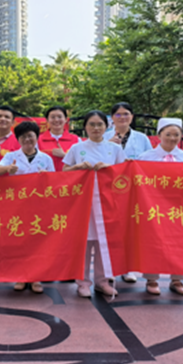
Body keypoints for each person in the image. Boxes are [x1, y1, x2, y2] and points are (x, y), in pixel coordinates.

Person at [62, 110, 126, 298]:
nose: (96, 128)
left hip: (107, 202)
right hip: (83, 203)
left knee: (103, 243)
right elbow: (64, 171)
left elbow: (124, 174)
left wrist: (109, 168)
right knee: (84, 243)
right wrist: (78, 167)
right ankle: (82, 282)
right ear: (85, 127)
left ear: (106, 127)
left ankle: (102, 281)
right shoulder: (77, 148)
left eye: (100, 124)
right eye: (91, 124)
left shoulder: (115, 149)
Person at [137, 117, 183, 296]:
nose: (172, 138)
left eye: (176, 135)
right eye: (168, 134)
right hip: (153, 206)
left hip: (179, 208)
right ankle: (152, 279)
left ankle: (177, 279)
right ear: (159, 135)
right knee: (153, 242)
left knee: (180, 243)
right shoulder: (146, 157)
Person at [0, 121, 55, 293]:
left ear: (36, 137)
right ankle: (20, 276)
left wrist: (46, 177)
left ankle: (36, 278)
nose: (27, 139)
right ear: (18, 139)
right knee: (19, 241)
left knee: (38, 242)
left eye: (30, 136)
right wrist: (8, 168)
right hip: (17, 206)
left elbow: (54, 181)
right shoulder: (11, 156)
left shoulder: (46, 158)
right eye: (23, 137)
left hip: (38, 206)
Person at [104, 102, 153, 284]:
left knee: (130, 228)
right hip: (110, 188)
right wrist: (108, 146)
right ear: (112, 118)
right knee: (111, 228)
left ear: (132, 117)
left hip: (133, 189)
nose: (122, 117)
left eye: (126, 114)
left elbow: (150, 161)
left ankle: (128, 268)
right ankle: (110, 268)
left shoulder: (142, 138)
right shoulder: (104, 137)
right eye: (118, 114)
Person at [37, 105, 81, 172]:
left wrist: (65, 155)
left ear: (66, 119)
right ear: (47, 120)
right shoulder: (38, 140)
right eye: (52, 117)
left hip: (70, 178)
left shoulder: (76, 140)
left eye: (59, 117)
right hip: (46, 177)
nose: (56, 120)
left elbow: (83, 162)